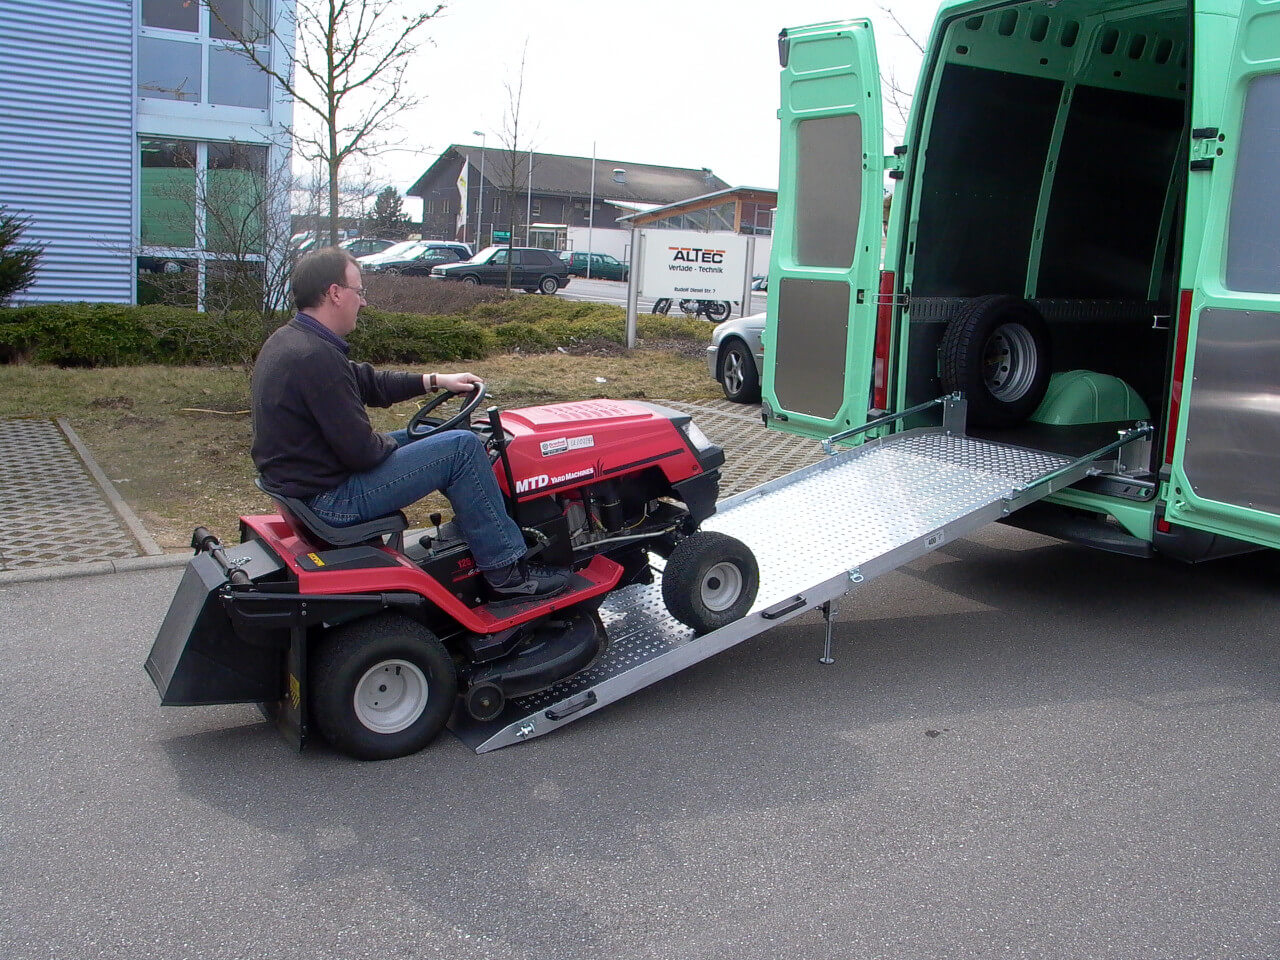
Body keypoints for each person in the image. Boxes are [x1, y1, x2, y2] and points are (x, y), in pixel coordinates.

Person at [251, 246, 568, 603]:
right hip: (331, 500)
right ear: (335, 293)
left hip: (314, 484)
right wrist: (406, 444)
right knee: (461, 448)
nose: (364, 302)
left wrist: (437, 380)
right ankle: (506, 572)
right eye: (359, 291)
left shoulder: (293, 340)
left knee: (448, 436)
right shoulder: (314, 357)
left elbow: (367, 382)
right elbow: (363, 453)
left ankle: (477, 531)